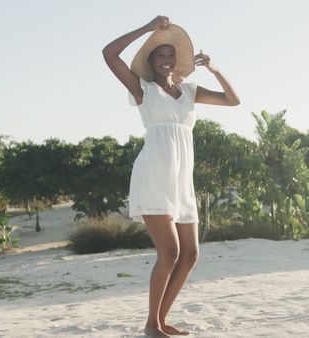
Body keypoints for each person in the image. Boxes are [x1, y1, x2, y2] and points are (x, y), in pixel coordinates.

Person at [102, 15, 240, 337]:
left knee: (190, 254)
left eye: (170, 55)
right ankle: (152, 324)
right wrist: (147, 29)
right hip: (153, 175)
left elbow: (233, 101)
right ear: (150, 61)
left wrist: (216, 70)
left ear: (177, 60)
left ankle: (159, 321)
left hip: (181, 179)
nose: (166, 60)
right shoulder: (143, 90)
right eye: (159, 55)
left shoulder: (190, 91)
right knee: (170, 253)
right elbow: (109, 53)